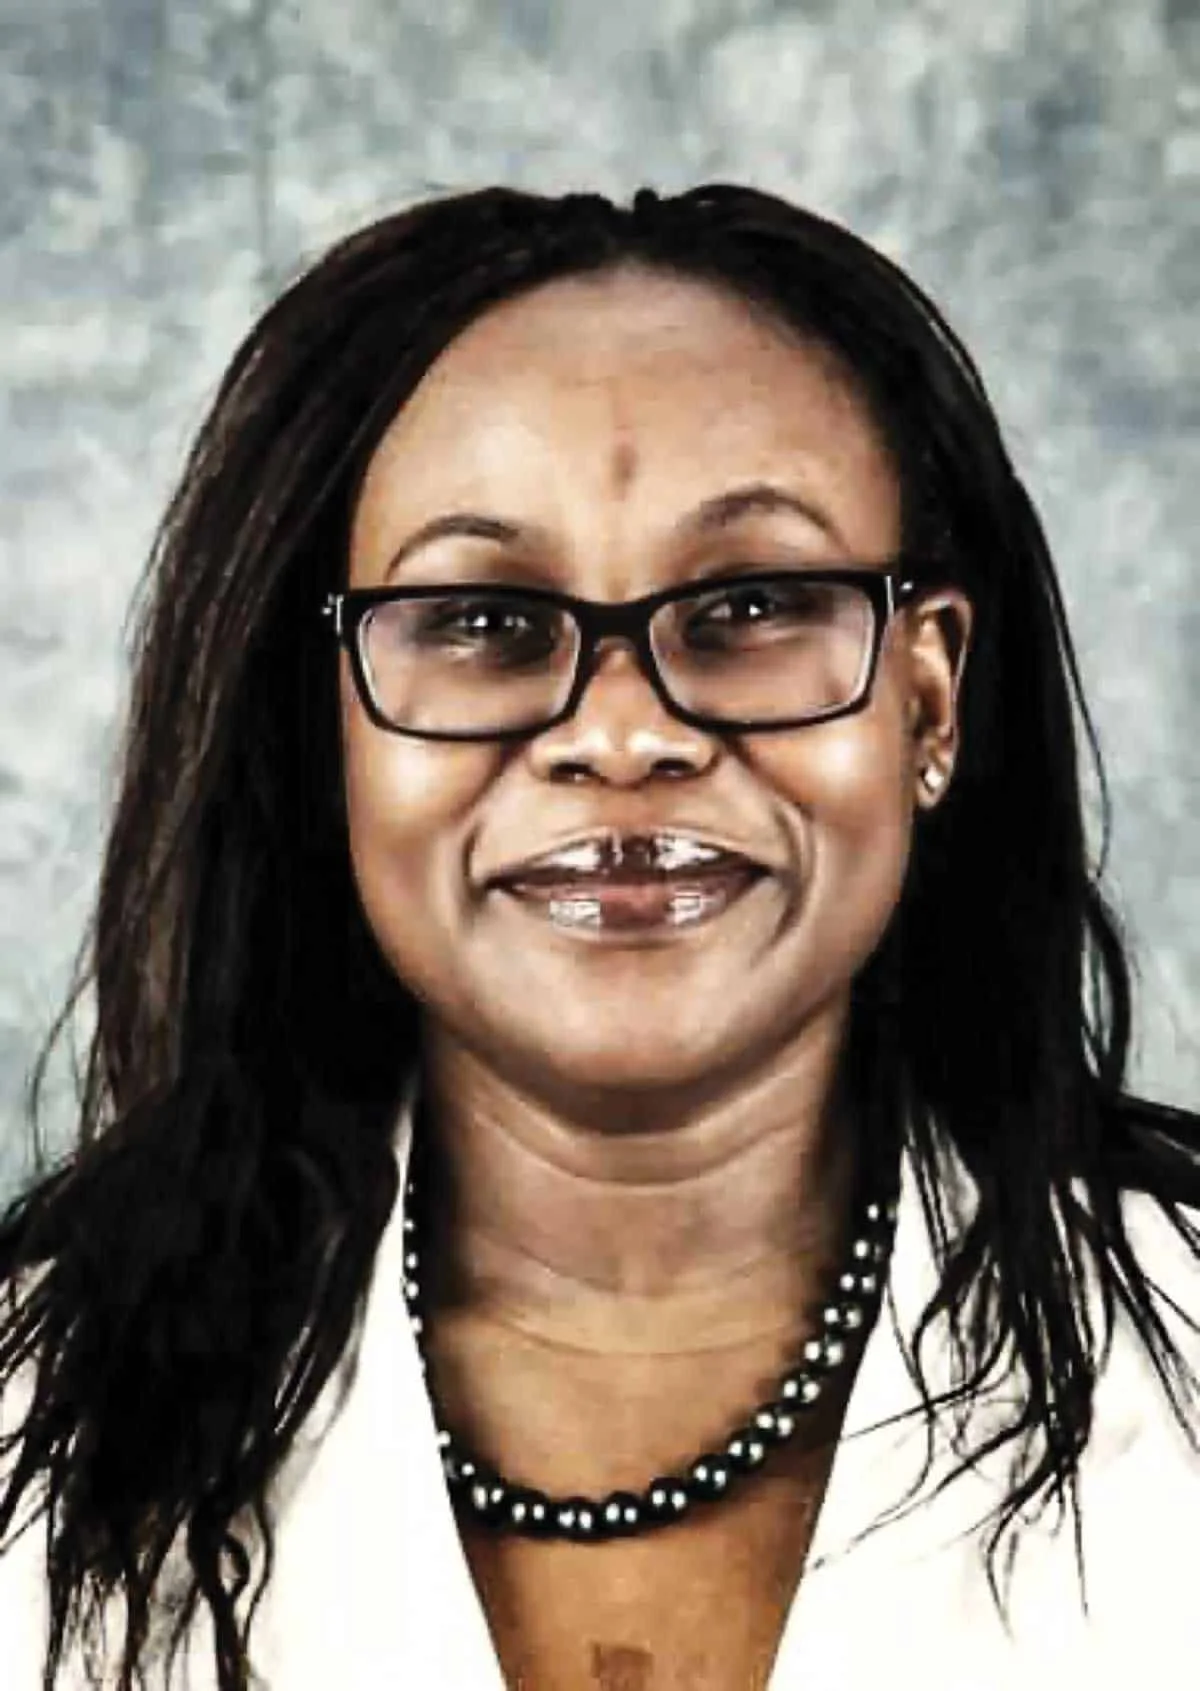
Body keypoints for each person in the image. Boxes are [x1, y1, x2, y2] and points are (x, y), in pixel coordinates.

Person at [1, 183, 1198, 1691]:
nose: (622, 734)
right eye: (486, 622)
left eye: (754, 602)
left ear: (930, 700)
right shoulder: (22, 1425)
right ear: (332, 735)